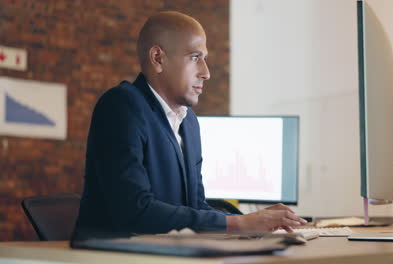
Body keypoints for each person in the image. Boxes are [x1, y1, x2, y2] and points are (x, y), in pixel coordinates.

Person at [75, 11, 307, 235]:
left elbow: (195, 208)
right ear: (158, 58)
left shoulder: (189, 122)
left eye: (204, 59)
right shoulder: (122, 106)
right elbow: (135, 211)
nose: (206, 73)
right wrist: (238, 223)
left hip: (169, 253)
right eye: (195, 58)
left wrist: (255, 222)